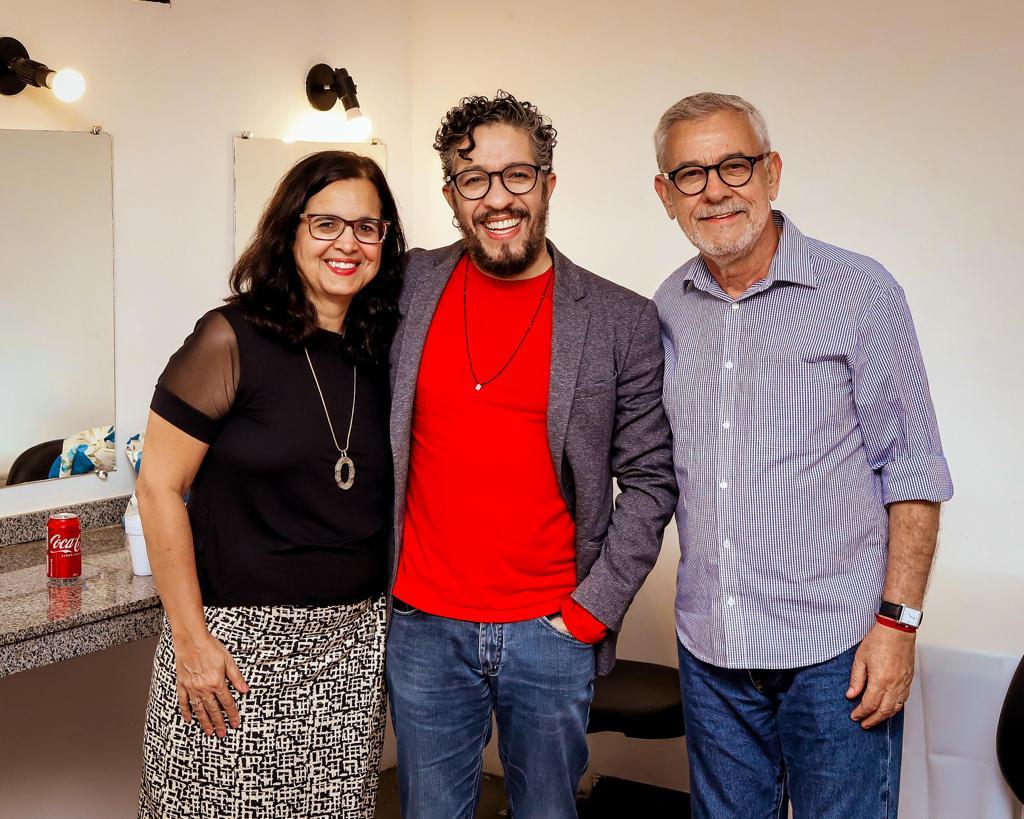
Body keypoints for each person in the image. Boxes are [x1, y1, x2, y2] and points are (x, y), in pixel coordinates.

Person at [652, 92, 954, 818]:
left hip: (837, 653)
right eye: (691, 174)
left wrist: (898, 625)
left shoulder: (860, 291)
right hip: (713, 654)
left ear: (772, 172)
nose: (715, 190)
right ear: (666, 195)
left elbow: (913, 468)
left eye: (735, 165)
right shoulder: (668, 307)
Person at [385, 91, 678, 819]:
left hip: (550, 628)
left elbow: (651, 481)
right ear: (451, 196)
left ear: (548, 183)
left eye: (516, 175)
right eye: (474, 179)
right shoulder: (407, 286)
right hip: (421, 625)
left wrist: (590, 613)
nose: (497, 198)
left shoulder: (620, 319)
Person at [136, 151, 406, 818]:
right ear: (290, 229)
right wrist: (191, 642)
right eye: (326, 223)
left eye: (367, 227)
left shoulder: (387, 350)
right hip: (234, 650)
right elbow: (158, 487)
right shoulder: (229, 339)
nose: (347, 243)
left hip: (352, 652)